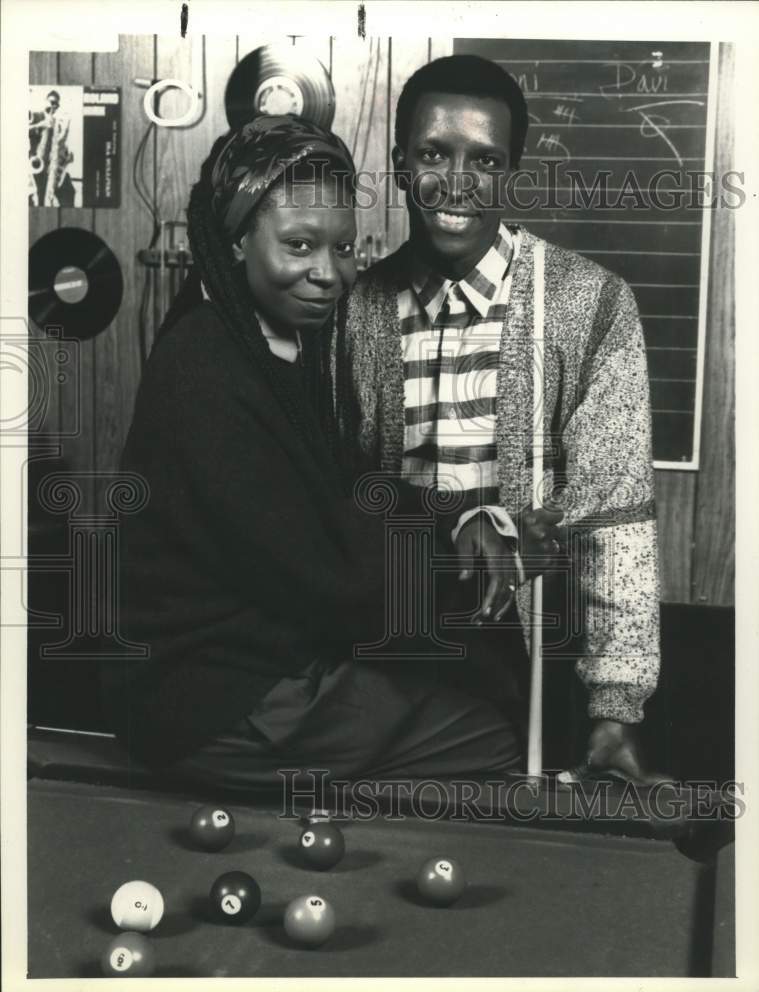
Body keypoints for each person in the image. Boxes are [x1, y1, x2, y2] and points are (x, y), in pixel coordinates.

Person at [102, 114, 527, 789]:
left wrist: (460, 519)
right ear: (238, 241)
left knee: (467, 681)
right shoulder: (203, 367)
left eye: (344, 249)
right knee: (492, 735)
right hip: (216, 704)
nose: (328, 274)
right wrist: (451, 562)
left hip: (252, 673)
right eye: (298, 245)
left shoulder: (276, 346)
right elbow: (327, 574)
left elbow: (350, 493)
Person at [333, 55, 664, 784]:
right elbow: (334, 497)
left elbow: (617, 519)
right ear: (396, 165)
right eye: (432, 154)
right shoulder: (351, 310)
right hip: (383, 652)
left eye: (484, 160)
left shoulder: (587, 304)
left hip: (529, 661)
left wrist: (615, 707)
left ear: (510, 173)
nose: (457, 184)